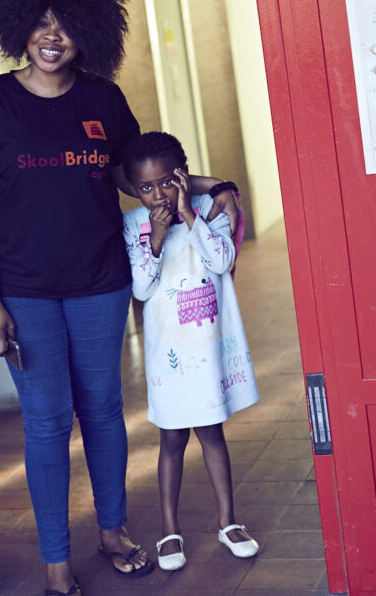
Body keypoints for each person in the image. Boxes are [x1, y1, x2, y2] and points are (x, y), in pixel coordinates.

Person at [0, 0, 241, 596]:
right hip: (23, 289)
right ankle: (57, 559)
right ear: (20, 25)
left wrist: (210, 185)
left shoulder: (103, 99)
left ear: (90, 31)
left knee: (104, 407)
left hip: (101, 279)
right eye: (42, 21)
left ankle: (113, 531)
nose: (54, 36)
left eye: (68, 22)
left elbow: (133, 175)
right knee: (48, 420)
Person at [121, 131, 260, 572]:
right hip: (169, 356)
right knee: (172, 440)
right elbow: (141, 288)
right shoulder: (132, 225)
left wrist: (187, 214)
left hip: (208, 349)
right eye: (145, 187)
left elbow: (221, 260)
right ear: (133, 188)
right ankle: (169, 530)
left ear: (184, 176)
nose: (157, 193)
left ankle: (228, 522)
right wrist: (157, 235)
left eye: (167, 182)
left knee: (213, 434)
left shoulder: (211, 208)